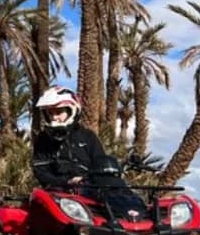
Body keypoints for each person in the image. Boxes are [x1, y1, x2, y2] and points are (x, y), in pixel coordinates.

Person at [31, 85, 146, 217]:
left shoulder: (87, 136)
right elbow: (41, 171)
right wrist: (67, 182)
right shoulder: (43, 140)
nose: (54, 117)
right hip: (62, 193)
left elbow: (100, 163)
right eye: (50, 113)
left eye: (58, 112)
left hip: (93, 186)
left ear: (72, 111)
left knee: (124, 193)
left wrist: (93, 177)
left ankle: (138, 218)